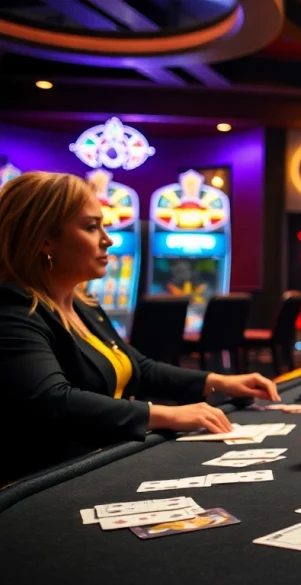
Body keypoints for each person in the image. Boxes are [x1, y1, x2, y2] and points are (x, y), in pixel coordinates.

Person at [0, 172, 281, 484]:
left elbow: (139, 368)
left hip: (101, 461)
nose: (108, 239)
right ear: (43, 239)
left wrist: (219, 382)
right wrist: (161, 414)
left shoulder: (82, 303)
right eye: (92, 227)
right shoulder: (13, 310)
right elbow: (53, 401)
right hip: (44, 485)